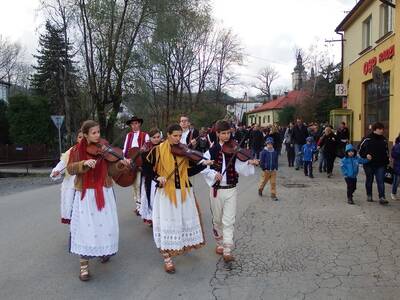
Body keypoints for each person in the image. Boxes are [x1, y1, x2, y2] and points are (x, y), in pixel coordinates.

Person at [67, 120, 131, 281]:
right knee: (85, 228)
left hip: (104, 190)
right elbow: (70, 168)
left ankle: (103, 250)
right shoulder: (76, 149)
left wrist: (121, 165)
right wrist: (83, 163)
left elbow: (110, 170)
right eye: (94, 133)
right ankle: (84, 266)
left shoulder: (105, 149)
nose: (97, 136)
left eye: (98, 132)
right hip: (86, 194)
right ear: (86, 134)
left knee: (105, 225)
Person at [146, 124, 213, 273]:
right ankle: (167, 257)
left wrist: (203, 165)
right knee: (167, 224)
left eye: (179, 136)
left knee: (182, 221)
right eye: (174, 135)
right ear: (168, 135)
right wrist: (158, 177)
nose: (177, 139)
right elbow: (146, 169)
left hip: (183, 191)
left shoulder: (184, 151)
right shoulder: (157, 150)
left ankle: (181, 246)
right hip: (166, 193)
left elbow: (188, 172)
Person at [201, 120, 258, 263]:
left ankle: (227, 249)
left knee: (229, 220)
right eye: (224, 133)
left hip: (231, 189)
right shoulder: (211, 151)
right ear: (217, 133)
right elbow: (204, 168)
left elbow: (240, 165)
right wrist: (214, 175)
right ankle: (219, 243)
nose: (227, 136)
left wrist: (249, 162)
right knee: (217, 220)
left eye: (228, 133)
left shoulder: (234, 148)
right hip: (216, 190)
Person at [50, 130, 84, 224]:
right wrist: (56, 171)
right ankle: (73, 234)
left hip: (85, 185)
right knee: (73, 211)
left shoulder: (92, 151)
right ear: (77, 139)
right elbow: (62, 164)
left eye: (84, 137)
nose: (82, 139)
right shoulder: (71, 151)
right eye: (80, 137)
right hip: (71, 184)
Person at [123, 116, 149, 215]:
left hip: (141, 163)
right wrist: (125, 159)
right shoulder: (128, 136)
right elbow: (125, 149)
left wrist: (143, 152)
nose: (134, 125)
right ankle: (138, 205)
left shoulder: (145, 135)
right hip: (131, 163)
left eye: (136, 123)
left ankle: (141, 206)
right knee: (134, 185)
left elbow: (147, 148)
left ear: (139, 124)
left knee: (140, 184)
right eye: (132, 124)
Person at [359, 122, 390, 204]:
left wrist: (387, 162)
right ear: (375, 129)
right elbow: (359, 150)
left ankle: (382, 197)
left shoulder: (384, 139)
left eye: (382, 129)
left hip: (381, 164)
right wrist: (366, 155)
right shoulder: (367, 139)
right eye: (380, 129)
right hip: (369, 164)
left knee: (380, 180)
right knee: (369, 180)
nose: (382, 130)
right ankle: (369, 195)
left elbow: (386, 152)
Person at [138, 128, 162, 225]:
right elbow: (143, 165)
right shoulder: (145, 148)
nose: (156, 139)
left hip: (162, 175)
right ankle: (151, 217)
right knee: (150, 197)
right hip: (149, 177)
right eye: (154, 137)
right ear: (150, 138)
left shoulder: (164, 146)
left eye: (158, 137)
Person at [391, 134, 400, 200]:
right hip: (398, 166)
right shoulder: (397, 145)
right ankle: (393, 193)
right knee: (396, 181)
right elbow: (394, 155)